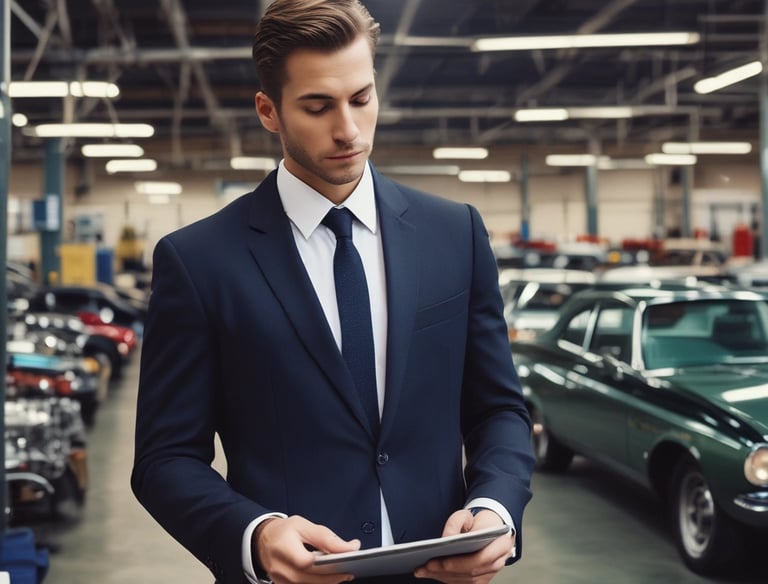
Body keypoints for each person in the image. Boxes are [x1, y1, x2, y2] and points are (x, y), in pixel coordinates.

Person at [130, 1, 534, 583]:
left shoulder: (455, 234)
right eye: (317, 107)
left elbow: (499, 409)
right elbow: (165, 459)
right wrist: (256, 534)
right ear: (269, 111)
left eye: (361, 99)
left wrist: (495, 508)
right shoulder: (199, 262)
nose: (347, 129)